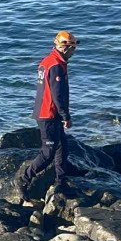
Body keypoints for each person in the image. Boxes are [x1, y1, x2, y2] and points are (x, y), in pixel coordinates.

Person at [16, 30, 77, 201]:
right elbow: (58, 95)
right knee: (48, 152)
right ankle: (24, 179)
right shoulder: (56, 65)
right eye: (72, 49)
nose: (73, 53)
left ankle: (61, 182)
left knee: (62, 147)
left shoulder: (47, 61)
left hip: (46, 112)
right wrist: (66, 116)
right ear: (66, 48)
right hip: (48, 114)